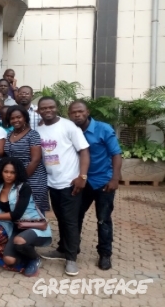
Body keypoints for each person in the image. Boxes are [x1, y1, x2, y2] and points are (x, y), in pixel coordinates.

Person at [36, 97, 90, 276]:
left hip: (70, 182)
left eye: (51, 107)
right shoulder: (39, 129)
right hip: (52, 183)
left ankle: (71, 259)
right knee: (60, 217)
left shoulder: (68, 126)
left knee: (70, 220)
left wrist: (82, 176)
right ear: (39, 111)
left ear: (57, 108)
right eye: (44, 108)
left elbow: (84, 151)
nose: (48, 110)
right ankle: (62, 249)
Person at [69, 100, 122, 271]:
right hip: (81, 183)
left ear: (87, 111)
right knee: (75, 217)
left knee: (103, 220)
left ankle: (105, 254)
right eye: (73, 112)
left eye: (80, 111)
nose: (77, 114)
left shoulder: (103, 129)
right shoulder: (71, 130)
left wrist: (115, 179)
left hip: (103, 183)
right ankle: (73, 250)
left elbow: (116, 154)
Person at [0, 158, 52, 277]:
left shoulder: (24, 188)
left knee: (19, 241)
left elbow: (16, 215)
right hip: (17, 228)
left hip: (33, 225)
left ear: (18, 173)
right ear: (1, 171)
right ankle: (25, 248)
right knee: (9, 260)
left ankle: (34, 258)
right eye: (6, 172)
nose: (9, 175)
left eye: (13, 172)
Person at [4, 106, 49, 212]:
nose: (15, 120)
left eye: (18, 117)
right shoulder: (9, 134)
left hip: (33, 178)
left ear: (25, 117)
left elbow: (36, 160)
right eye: (12, 118)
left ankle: (38, 228)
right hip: (15, 177)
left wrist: (21, 178)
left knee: (34, 211)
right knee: (18, 208)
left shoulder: (33, 135)